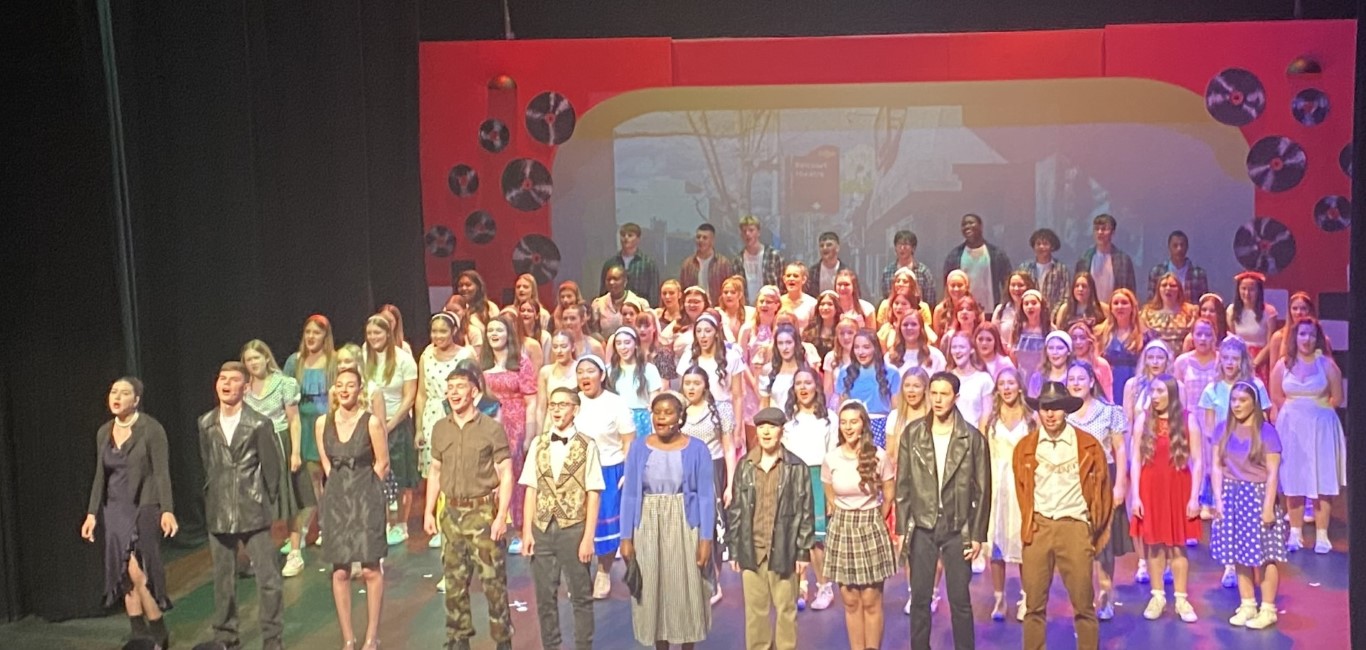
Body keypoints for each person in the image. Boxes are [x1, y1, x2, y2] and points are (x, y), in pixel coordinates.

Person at [1014, 382, 1112, 650]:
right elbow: (1022, 491)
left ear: (1066, 410)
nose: (1050, 414)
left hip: (1075, 526)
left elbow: (1103, 493)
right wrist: (1030, 525)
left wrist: (1090, 531)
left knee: (1084, 604)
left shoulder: (1088, 445)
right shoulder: (1025, 447)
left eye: (1056, 407)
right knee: (1034, 605)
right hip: (1039, 527)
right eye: (1045, 407)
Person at [896, 372, 991, 650]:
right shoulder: (913, 434)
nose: (937, 400)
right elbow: (903, 486)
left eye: (944, 394)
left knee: (960, 600)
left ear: (956, 397)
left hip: (957, 526)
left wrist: (977, 534)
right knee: (920, 599)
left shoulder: (971, 438)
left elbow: (983, 490)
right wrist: (901, 529)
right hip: (922, 525)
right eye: (934, 393)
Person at [424, 363, 514, 650]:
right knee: (453, 582)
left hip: (482, 513)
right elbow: (435, 471)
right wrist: (428, 511)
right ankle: (457, 638)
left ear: (474, 393)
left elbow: (506, 473)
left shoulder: (491, 429)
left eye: (460, 387)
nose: (454, 393)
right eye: (450, 388)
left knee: (492, 581)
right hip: (451, 513)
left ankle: (502, 640)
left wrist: (501, 516)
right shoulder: (440, 429)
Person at [82, 377, 177, 648]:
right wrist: (91, 514)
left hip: (144, 504)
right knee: (123, 571)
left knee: (138, 570)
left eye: (124, 393)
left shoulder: (151, 429)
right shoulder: (104, 432)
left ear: (136, 400)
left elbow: (161, 473)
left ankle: (158, 630)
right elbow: (100, 475)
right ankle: (138, 632)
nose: (117, 397)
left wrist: (167, 510)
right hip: (114, 509)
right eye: (114, 392)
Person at [197, 362, 284, 650]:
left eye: (233, 380)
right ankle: (225, 636)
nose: (226, 384)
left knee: (268, 578)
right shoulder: (206, 423)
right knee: (223, 579)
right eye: (222, 378)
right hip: (219, 509)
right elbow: (208, 463)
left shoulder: (259, 423)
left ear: (245, 388)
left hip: (252, 508)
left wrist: (265, 502)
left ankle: (272, 638)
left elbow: (272, 469)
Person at [621, 392, 716, 649]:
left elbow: (706, 497)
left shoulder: (697, 449)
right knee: (653, 589)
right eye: (657, 412)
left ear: (680, 417)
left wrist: (706, 539)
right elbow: (630, 494)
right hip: (648, 525)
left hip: (685, 524)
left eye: (668, 412)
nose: (661, 418)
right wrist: (626, 537)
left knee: (687, 588)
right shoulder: (639, 448)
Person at [520, 387, 605, 650]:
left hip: (573, 529)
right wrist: (527, 531)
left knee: (580, 596)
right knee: (545, 597)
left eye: (563, 405)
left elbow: (593, 493)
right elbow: (531, 488)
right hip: (542, 528)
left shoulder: (587, 445)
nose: (557, 410)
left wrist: (588, 537)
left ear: (575, 409)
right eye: (553, 405)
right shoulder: (539, 444)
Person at [727, 407, 815, 650]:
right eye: (762, 426)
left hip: (784, 549)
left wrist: (802, 552)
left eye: (772, 426)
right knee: (755, 612)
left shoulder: (796, 467)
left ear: (781, 430)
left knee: (786, 609)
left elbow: (805, 512)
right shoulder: (745, 465)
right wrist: (734, 549)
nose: (766, 432)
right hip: (752, 549)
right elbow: (736, 510)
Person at [316, 367, 389, 650]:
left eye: (350, 385)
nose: (344, 389)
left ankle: (372, 636)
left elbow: (382, 463)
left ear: (360, 390)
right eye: (340, 385)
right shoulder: (323, 422)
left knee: (370, 568)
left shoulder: (371, 422)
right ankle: (348, 638)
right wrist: (337, 487)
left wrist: (367, 490)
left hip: (365, 498)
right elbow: (325, 462)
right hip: (336, 500)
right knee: (340, 571)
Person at [1210, 382, 1287, 630]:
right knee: (1238, 553)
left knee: (1266, 555)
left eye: (1242, 400)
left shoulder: (1267, 432)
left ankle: (1268, 608)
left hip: (1258, 495)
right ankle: (1247, 604)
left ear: (1253, 403)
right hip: (1232, 495)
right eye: (1233, 400)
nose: (1237, 405)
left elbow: (1273, 473)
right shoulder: (1222, 429)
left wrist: (1268, 507)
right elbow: (1216, 466)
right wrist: (1218, 499)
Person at [822, 401, 897, 650]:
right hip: (842, 528)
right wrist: (842, 514)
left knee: (871, 599)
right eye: (844, 422)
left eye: (853, 422)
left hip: (870, 525)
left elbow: (889, 494)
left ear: (863, 424)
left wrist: (875, 519)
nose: (848, 427)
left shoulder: (878, 455)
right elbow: (830, 493)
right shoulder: (831, 458)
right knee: (850, 600)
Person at [1269, 317, 1346, 553]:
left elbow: (1337, 397)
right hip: (1291, 427)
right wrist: (1294, 412)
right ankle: (1295, 533)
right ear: (1295, 337)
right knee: (1294, 478)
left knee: (1322, 478)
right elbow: (1276, 395)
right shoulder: (1283, 364)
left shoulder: (1327, 365)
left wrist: (1317, 410)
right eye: (1302, 334)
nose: (1307, 339)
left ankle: (1322, 535)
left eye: (1311, 335)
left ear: (1318, 338)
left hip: (1321, 427)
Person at [1129, 375, 1202, 623]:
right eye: (1153, 391)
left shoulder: (1188, 420)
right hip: (1151, 488)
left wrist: (1194, 497)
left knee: (1178, 545)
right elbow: (1135, 459)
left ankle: (1181, 598)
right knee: (1154, 543)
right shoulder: (1144, 419)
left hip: (1178, 488)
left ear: (1171, 393)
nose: (1155, 396)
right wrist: (1136, 496)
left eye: (1160, 391)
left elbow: (1198, 461)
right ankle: (1157, 596)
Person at [1063, 360, 1132, 621]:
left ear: (1092, 381)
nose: (1076, 383)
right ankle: (1083, 597)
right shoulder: (1063, 414)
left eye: (1081, 379)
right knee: (1078, 544)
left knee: (1103, 544)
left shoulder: (1109, 411)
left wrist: (1120, 484)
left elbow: (1120, 449)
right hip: (1072, 482)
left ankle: (1105, 595)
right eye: (1071, 379)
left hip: (1103, 478)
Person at [239, 340, 309, 578]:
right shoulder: (244, 388)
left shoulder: (284, 383)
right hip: (255, 449)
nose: (253, 363)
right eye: (248, 360)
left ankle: (295, 553)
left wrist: (295, 452)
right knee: (259, 505)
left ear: (266, 358)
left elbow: (294, 420)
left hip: (280, 443)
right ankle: (262, 555)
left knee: (290, 501)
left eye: (256, 358)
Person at [572, 354, 638, 598]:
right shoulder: (572, 401)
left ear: (601, 375)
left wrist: (628, 471)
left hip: (608, 469)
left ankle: (603, 571)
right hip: (576, 472)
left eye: (590, 371)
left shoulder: (615, 403)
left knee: (605, 525)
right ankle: (579, 575)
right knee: (576, 524)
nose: (585, 376)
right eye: (580, 372)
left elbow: (629, 440)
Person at [480, 313, 540, 555]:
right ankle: (494, 525)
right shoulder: (481, 363)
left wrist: (529, 435)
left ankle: (518, 530)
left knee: (514, 475)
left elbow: (532, 401)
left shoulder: (521, 362)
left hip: (515, 423)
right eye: (490, 330)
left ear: (508, 334)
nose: (494, 334)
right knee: (490, 473)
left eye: (499, 330)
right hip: (488, 422)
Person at [417, 312, 477, 550]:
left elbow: (477, 388)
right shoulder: (426, 355)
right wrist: (419, 428)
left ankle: (463, 522)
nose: (438, 336)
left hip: (458, 413)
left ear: (453, 331)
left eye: (443, 331)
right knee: (436, 471)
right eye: (434, 331)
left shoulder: (465, 354)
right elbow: (421, 394)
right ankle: (440, 524)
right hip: (433, 416)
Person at [783, 367, 838, 611]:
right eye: (799, 383)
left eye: (808, 382)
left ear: (816, 386)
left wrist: (829, 492)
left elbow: (832, 455)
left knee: (817, 538)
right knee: (796, 536)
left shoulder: (829, 418)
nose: (803, 388)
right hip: (793, 477)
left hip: (818, 477)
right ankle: (800, 586)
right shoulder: (787, 420)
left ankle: (824, 587)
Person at [980, 368, 1032, 623]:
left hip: (1022, 483)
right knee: (996, 542)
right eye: (1002, 383)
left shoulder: (1031, 418)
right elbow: (980, 453)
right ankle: (999, 598)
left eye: (1011, 383)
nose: (1007, 388)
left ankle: (1027, 596)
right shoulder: (989, 419)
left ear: (1019, 387)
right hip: (996, 484)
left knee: (1024, 542)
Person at [364, 314, 420, 546]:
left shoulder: (403, 359)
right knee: (378, 475)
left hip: (396, 423)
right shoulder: (363, 357)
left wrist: (390, 424)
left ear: (388, 333)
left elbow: (409, 397)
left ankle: (402, 524)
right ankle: (385, 521)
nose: (373, 337)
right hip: (370, 424)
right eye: (369, 333)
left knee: (401, 475)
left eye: (377, 332)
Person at [283, 315, 337, 549]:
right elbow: (285, 395)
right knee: (306, 481)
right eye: (308, 332)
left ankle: (320, 527)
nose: (311, 337)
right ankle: (305, 529)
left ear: (325, 336)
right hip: (300, 425)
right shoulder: (294, 362)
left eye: (317, 332)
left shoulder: (333, 361)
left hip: (323, 423)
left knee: (318, 477)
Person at [835, 329, 900, 449]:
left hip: (881, 428)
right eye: (857, 347)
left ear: (875, 348)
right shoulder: (845, 372)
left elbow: (895, 410)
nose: (861, 352)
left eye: (866, 347)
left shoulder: (891, 372)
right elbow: (843, 406)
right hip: (853, 427)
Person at [943, 213, 1012, 312]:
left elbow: (1007, 282)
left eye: (971, 223)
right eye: (964, 224)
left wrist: (1004, 306)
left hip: (990, 311)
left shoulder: (996, 254)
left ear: (981, 226)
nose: (967, 226)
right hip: (964, 312)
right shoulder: (954, 256)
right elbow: (947, 284)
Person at [1227, 271, 1280, 379]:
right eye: (1243, 289)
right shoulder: (1231, 310)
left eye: (1251, 289)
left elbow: (1271, 343)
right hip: (1238, 359)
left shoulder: (1269, 312)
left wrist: (1254, 364)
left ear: (1259, 291)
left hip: (1261, 360)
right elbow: (1232, 339)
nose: (1247, 293)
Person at [1096, 288, 1143, 407]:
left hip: (1134, 384)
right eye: (1116, 303)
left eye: (1124, 303)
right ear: (1110, 308)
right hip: (1109, 384)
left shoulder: (1144, 334)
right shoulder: (1099, 333)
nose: (1120, 306)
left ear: (1132, 307)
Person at [1074, 214, 1137, 301]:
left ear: (1113, 232)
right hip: (1090, 308)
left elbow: (1130, 291)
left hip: (1115, 307)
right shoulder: (1084, 259)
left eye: (1104, 229)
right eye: (1096, 229)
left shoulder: (1123, 260)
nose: (1100, 232)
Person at [600, 222, 661, 305]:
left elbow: (654, 293)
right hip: (613, 309)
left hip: (640, 308)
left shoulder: (648, 264)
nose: (626, 238)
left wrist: (650, 310)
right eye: (623, 235)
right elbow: (603, 292)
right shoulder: (610, 264)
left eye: (630, 235)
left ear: (638, 239)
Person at [944, 331, 995, 430]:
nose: (957, 351)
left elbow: (986, 416)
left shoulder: (984, 379)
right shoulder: (946, 378)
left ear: (972, 350)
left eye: (961, 347)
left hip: (974, 435)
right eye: (954, 347)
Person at [680, 223, 742, 299]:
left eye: (705, 238)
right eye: (698, 237)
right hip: (694, 305)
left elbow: (731, 288)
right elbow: (683, 290)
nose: (700, 240)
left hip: (717, 305)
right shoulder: (688, 264)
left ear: (712, 241)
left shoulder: (723, 264)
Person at [1140, 273, 1198, 354]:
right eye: (1164, 285)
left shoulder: (1191, 312)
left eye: (1172, 286)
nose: (1168, 288)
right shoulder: (1147, 313)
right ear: (1158, 289)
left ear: (1179, 290)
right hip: (1156, 357)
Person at [881, 229, 939, 307]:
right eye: (899, 244)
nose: (902, 248)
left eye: (906, 244)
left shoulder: (923, 272)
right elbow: (886, 299)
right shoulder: (887, 272)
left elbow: (930, 302)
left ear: (913, 248)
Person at [1147, 230, 1208, 303]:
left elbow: (1204, 302)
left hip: (1190, 310)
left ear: (1187, 247)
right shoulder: (1157, 272)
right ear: (1169, 247)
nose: (1179, 249)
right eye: (1175, 245)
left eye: (1182, 245)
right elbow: (1151, 301)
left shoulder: (1198, 274)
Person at [737, 215, 785, 302]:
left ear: (758, 232)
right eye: (744, 231)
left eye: (751, 230)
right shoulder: (738, 260)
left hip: (770, 305)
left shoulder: (773, 256)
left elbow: (782, 285)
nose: (747, 234)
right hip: (746, 306)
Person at [1019, 228, 1070, 308]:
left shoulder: (1061, 269)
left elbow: (1065, 297)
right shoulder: (1025, 268)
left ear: (1052, 247)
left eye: (1045, 244)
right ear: (1033, 246)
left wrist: (1054, 314)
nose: (1041, 247)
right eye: (1038, 244)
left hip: (1054, 313)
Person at [592, 264, 644, 334]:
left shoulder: (640, 303)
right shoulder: (598, 304)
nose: (611, 282)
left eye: (615, 279)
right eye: (608, 279)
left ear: (625, 281)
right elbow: (594, 332)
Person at [992, 271, 1036, 345]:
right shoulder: (1000, 310)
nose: (1016, 288)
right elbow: (993, 336)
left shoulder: (1036, 310)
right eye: (1013, 285)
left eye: (1020, 285)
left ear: (1028, 287)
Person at [1011, 289, 1049, 376]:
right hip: (1022, 375)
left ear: (1041, 306)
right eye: (1026, 304)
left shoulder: (1049, 329)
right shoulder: (1018, 328)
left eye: (1034, 303)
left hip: (1043, 375)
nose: (1030, 306)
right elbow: (1012, 353)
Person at [805, 231, 854, 296]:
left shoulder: (847, 272)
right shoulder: (812, 273)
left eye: (829, 245)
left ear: (837, 248)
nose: (824, 248)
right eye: (821, 246)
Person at [779, 262, 818, 330]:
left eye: (795, 276)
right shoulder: (778, 301)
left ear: (803, 279)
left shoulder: (812, 303)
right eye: (788, 276)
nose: (791, 278)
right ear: (784, 279)